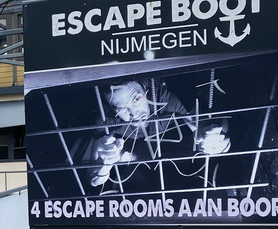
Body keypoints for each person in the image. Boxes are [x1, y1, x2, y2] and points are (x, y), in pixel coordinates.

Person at [81, 79, 230, 192]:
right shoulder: (107, 119)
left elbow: (204, 126)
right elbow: (93, 180)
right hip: (138, 146)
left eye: (136, 99)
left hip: (172, 139)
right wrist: (104, 165)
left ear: (146, 89)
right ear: (113, 110)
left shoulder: (166, 98)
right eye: (122, 109)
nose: (134, 114)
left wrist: (216, 141)